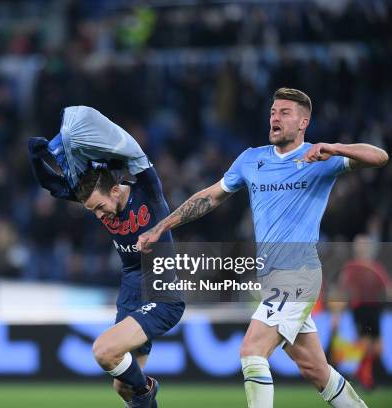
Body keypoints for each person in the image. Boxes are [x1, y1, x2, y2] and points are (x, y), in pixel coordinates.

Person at [137, 88, 388, 407]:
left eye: (285, 112)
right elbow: (209, 197)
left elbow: (380, 157)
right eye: (273, 111)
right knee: (316, 369)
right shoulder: (251, 159)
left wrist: (335, 147)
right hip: (272, 281)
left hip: (298, 276)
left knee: (252, 350)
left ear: (303, 123)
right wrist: (162, 226)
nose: (275, 117)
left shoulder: (319, 157)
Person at [28, 105, 185, 408]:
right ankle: (142, 393)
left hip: (161, 289)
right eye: (93, 211)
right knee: (121, 386)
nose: (99, 215)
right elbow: (53, 185)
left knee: (104, 352)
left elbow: (134, 153)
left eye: (99, 207)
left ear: (115, 190)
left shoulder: (147, 191)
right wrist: (38, 159)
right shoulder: (95, 194)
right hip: (130, 286)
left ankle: (146, 391)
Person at [339, 234, 389, 389]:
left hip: (375, 308)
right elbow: (343, 288)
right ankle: (366, 378)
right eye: (360, 245)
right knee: (366, 343)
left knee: (378, 347)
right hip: (360, 309)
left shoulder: (376, 268)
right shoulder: (351, 267)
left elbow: (387, 289)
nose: (362, 248)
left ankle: (360, 373)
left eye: (365, 245)